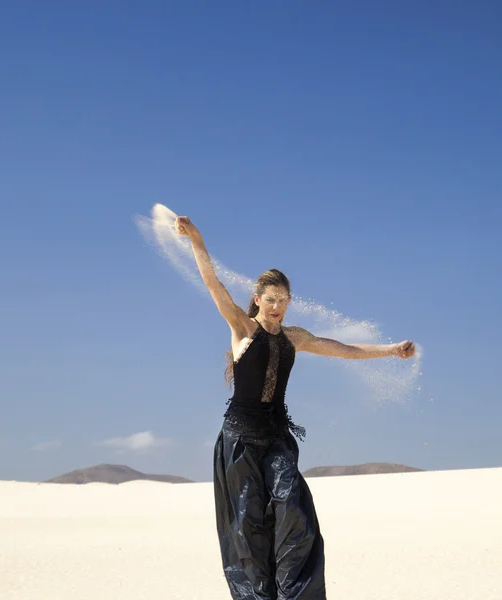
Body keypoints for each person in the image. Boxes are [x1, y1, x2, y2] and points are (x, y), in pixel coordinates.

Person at [174, 215, 416, 600]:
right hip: (239, 443)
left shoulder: (295, 338)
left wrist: (391, 350)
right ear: (258, 300)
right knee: (248, 526)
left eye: (284, 301)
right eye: (271, 300)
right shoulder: (243, 328)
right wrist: (197, 240)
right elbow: (213, 284)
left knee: (293, 512)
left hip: (276, 438)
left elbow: (344, 349)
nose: (277, 307)